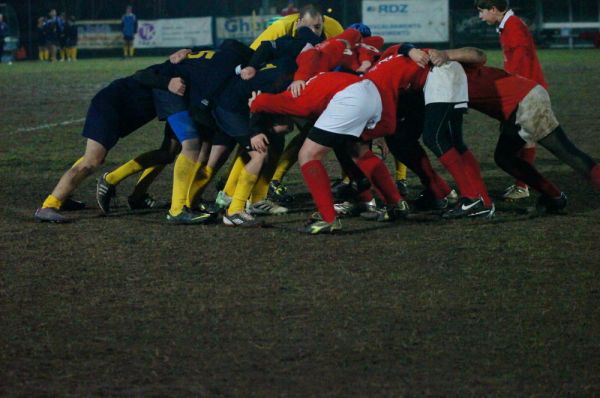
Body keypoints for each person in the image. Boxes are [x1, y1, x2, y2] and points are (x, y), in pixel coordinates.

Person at [432, 47, 600, 212]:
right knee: (504, 157)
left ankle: (555, 196)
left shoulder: (438, 64)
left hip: (525, 99)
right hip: (514, 107)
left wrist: (446, 54)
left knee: (565, 151)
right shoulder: (432, 78)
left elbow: (478, 54)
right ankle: (554, 197)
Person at [34, 62, 191, 223]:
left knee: (166, 153)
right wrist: (168, 81)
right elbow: (141, 74)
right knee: (91, 161)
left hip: (117, 110)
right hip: (110, 107)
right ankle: (49, 206)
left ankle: (64, 195)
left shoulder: (183, 71)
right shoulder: (173, 71)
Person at [476, 0, 547, 201]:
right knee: (524, 138)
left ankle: (523, 185)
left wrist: (513, 92)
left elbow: (520, 63)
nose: (480, 17)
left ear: (493, 9)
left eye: (482, 12)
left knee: (523, 139)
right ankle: (522, 184)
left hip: (526, 91)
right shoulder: (509, 25)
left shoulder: (513, 26)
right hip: (527, 89)